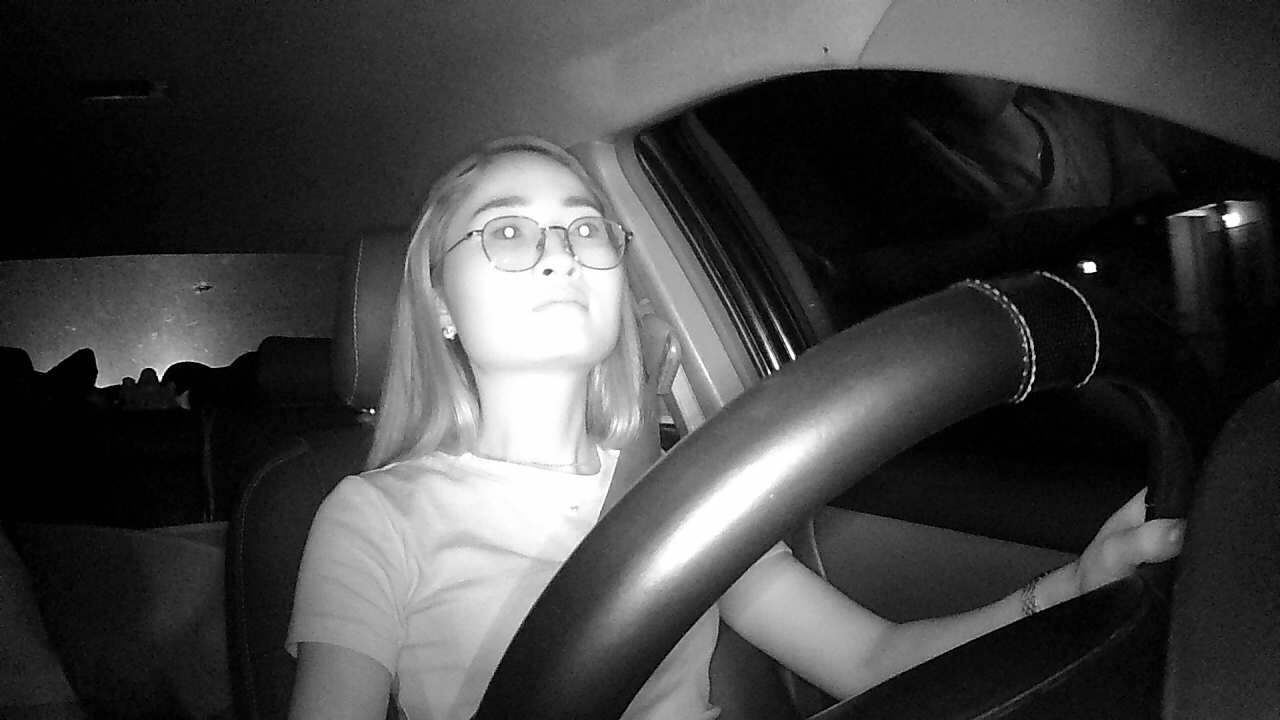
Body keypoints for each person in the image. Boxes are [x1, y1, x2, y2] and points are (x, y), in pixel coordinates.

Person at [286, 136, 1184, 719]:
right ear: (441, 305)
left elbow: (873, 657)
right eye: (508, 233)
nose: (559, 252)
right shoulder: (376, 517)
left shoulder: (690, 491)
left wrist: (1073, 586)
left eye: (586, 228)